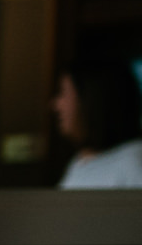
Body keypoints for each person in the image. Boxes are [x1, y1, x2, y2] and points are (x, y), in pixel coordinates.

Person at [55, 59, 142, 189]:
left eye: (63, 93)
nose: (57, 105)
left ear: (91, 100)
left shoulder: (133, 162)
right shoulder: (80, 161)